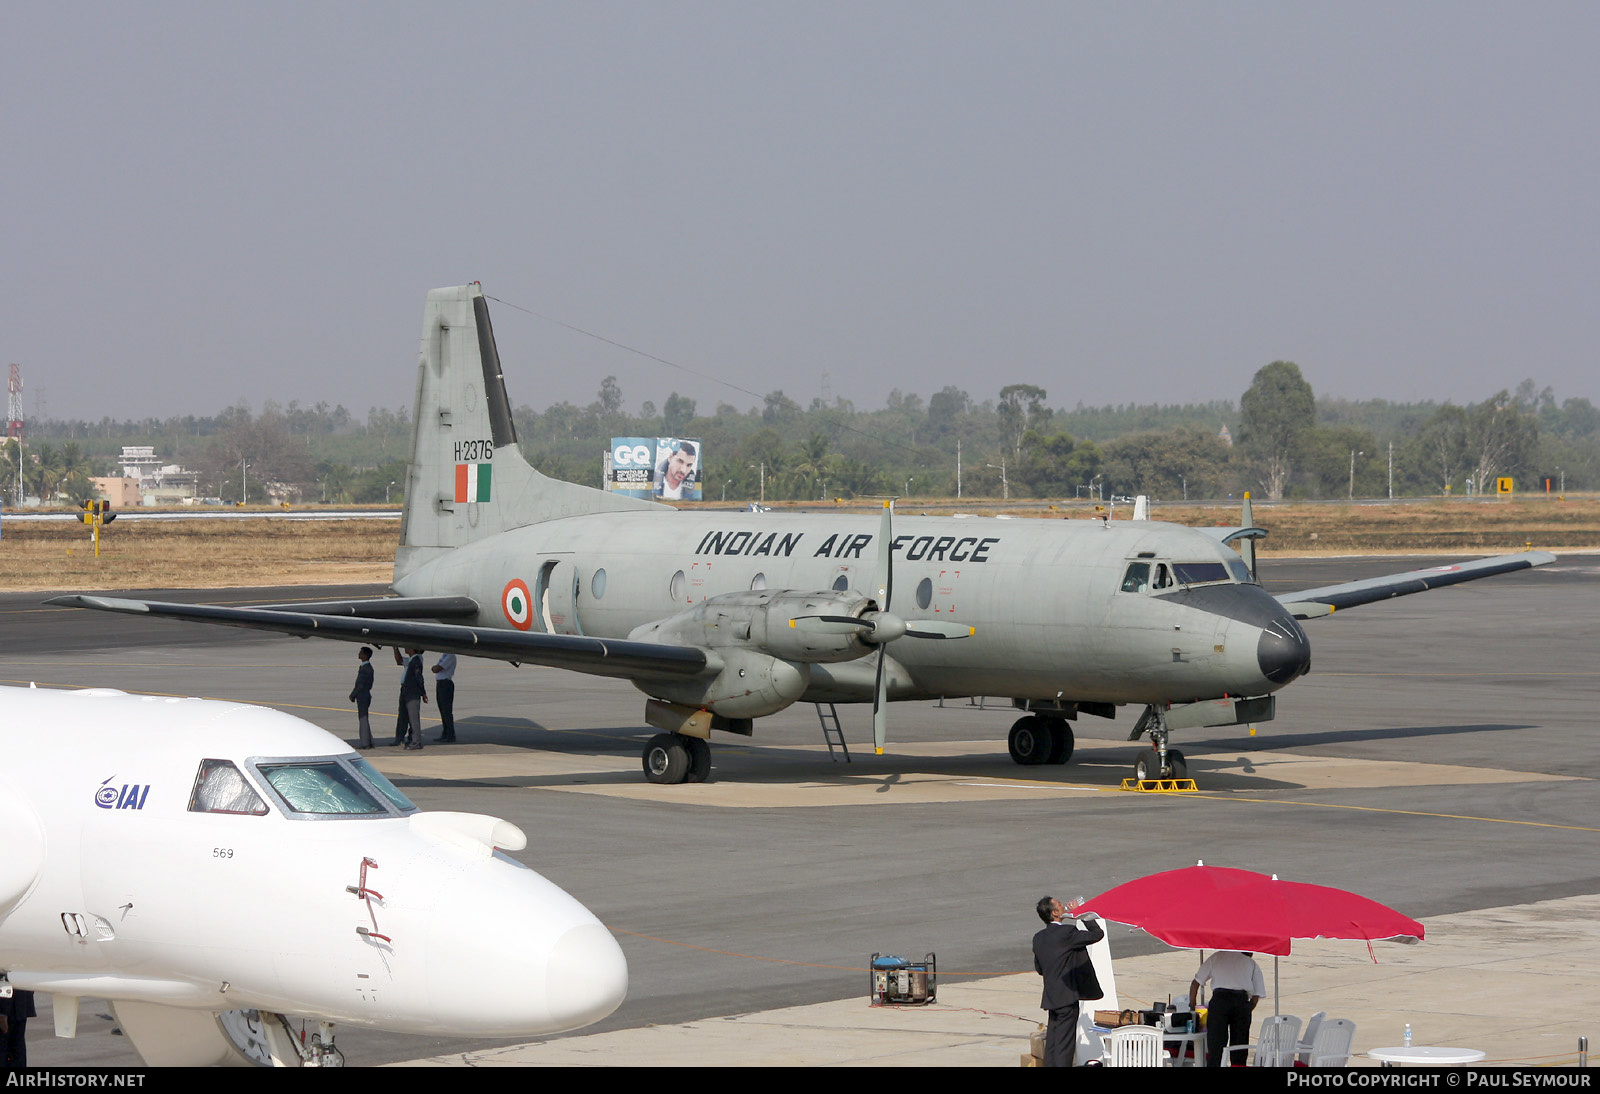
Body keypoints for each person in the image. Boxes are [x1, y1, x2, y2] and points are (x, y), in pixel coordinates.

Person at [1032, 895, 1104, 1067]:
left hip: (1051, 997)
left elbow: (1040, 968)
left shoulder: (1039, 937)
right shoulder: (1066, 933)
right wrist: (1081, 913)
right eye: (1059, 905)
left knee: (1053, 1043)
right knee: (1065, 1045)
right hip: (1066, 996)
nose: (1064, 905)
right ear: (1055, 913)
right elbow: (1097, 934)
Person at [1190, 950, 1265, 1066]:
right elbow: (1257, 994)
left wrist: (1192, 1006)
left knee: (1216, 1047)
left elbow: (1195, 983)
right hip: (1241, 1002)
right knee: (1239, 1048)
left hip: (1219, 1002)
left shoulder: (1216, 957)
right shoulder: (1250, 963)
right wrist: (1247, 1009)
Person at [392, 647, 428, 749]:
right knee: (403, 715)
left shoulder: (417, 660)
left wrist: (423, 693)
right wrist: (395, 648)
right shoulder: (412, 660)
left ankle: (416, 742)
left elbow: (419, 678)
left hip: (412, 691)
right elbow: (399, 661)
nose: (405, 648)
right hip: (406, 690)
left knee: (413, 718)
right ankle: (400, 738)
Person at [0, 987, 36, 1068]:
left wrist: (2, 1012)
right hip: (19, 1005)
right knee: (17, 1051)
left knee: (12, 1050)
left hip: (10, 1007)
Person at [349, 646, 375, 748]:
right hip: (365, 694)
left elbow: (360, 685)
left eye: (361, 652)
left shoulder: (365, 669)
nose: (359, 654)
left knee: (363, 718)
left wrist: (353, 695)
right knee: (364, 718)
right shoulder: (367, 668)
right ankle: (369, 741)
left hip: (363, 695)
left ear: (365, 655)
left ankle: (365, 743)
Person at [431, 652, 457, 742]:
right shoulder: (445, 655)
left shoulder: (450, 656)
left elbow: (437, 668)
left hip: (445, 683)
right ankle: (445, 733)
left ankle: (450, 734)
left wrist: (434, 667)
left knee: (447, 711)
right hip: (440, 683)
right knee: (442, 709)